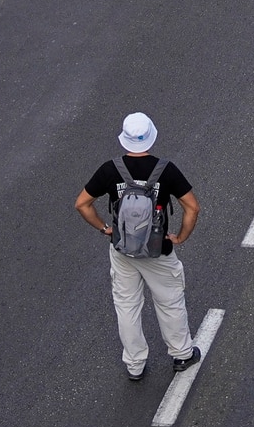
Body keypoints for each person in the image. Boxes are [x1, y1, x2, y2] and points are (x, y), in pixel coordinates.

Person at [78, 113, 199, 382]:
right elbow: (192, 207)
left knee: (127, 306)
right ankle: (182, 354)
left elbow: (82, 204)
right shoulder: (165, 169)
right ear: (151, 135)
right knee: (169, 302)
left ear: (124, 139)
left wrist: (105, 229)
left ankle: (135, 365)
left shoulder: (111, 170)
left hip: (122, 249)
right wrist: (180, 236)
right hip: (158, 249)